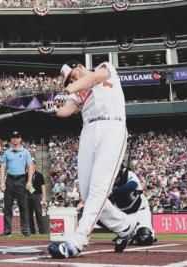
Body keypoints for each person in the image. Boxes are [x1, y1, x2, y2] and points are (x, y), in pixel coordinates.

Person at [47, 60, 138, 258]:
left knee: (99, 188)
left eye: (71, 75)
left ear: (79, 66)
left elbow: (93, 78)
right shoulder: (77, 93)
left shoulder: (104, 69)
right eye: (69, 79)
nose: (71, 80)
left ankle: (78, 241)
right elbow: (67, 110)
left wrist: (69, 88)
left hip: (112, 126)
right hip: (88, 131)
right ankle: (124, 226)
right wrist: (53, 109)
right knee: (87, 195)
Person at [109, 163, 156, 246]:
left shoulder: (128, 174)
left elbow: (131, 185)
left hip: (140, 211)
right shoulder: (105, 178)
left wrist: (113, 191)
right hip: (123, 214)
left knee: (144, 238)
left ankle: (134, 233)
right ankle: (126, 233)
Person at [0, 131, 34, 237]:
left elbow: (30, 166)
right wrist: (2, 182)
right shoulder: (7, 152)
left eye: (17, 137)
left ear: (20, 139)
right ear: (11, 139)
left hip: (21, 179)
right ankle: (7, 230)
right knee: (7, 206)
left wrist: (29, 181)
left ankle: (25, 230)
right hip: (10, 179)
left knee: (23, 206)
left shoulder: (26, 152)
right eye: (13, 137)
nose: (15, 139)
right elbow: (3, 167)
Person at [27, 159, 47, 234]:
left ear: (35, 166)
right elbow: (26, 186)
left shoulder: (39, 175)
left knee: (39, 213)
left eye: (32, 165)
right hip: (28, 197)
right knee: (29, 214)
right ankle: (32, 231)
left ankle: (42, 231)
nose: (30, 166)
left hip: (37, 196)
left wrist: (44, 197)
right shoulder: (26, 175)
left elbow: (43, 186)